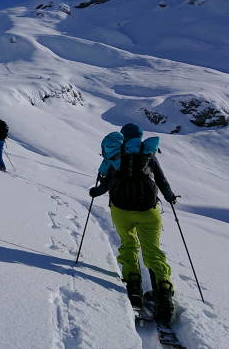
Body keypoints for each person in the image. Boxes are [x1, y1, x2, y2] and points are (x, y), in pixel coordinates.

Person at [88, 123, 178, 324]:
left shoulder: (114, 157)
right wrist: (170, 197)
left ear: (122, 137)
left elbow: (107, 184)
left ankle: (134, 289)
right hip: (149, 211)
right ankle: (164, 294)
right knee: (153, 251)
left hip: (121, 211)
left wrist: (96, 192)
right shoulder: (148, 155)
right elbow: (162, 181)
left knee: (128, 245)